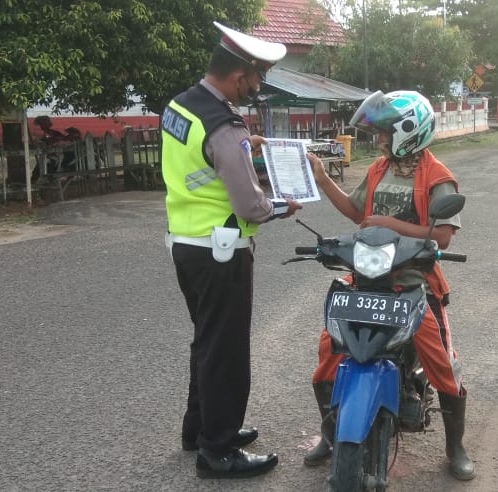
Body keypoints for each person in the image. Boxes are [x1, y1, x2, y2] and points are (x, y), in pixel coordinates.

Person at [304, 90, 475, 480]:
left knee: (441, 364)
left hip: (414, 282)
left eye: (384, 132)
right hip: (368, 277)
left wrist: (390, 225)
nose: (378, 140)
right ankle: (332, 433)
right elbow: (356, 210)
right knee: (329, 352)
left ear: (407, 132)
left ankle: (455, 446)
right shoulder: (380, 168)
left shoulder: (437, 176)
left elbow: (443, 236)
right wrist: (323, 180)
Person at [161, 21, 301, 479]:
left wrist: (246, 147)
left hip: (186, 243)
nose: (256, 88)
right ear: (240, 75)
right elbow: (249, 204)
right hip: (223, 251)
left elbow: (201, 163)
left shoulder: (180, 106)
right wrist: (280, 206)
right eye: (257, 79)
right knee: (226, 351)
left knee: (207, 340)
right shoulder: (225, 123)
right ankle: (217, 451)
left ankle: (200, 428)